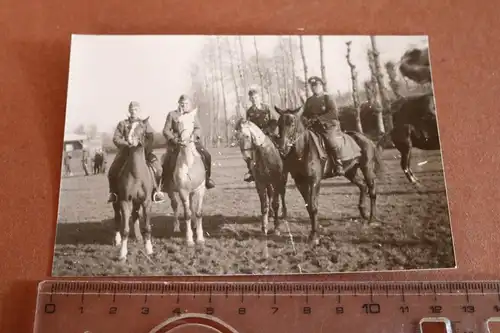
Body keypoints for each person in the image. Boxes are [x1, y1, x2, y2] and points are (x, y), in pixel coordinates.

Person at [107, 101, 165, 204]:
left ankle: (156, 191)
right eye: (132, 109)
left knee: (159, 169)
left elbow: (151, 137)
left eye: (136, 110)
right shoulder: (123, 124)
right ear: (129, 111)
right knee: (112, 170)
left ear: (139, 111)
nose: (133, 111)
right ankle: (114, 193)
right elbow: (116, 138)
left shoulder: (144, 123)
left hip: (144, 153)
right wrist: (127, 144)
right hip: (126, 153)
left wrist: (143, 146)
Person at [302, 76, 360, 177]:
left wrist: (318, 119)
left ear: (321, 86)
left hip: (329, 126)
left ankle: (339, 164)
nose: (314, 88)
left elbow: (333, 112)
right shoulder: (309, 100)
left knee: (330, 140)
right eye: (312, 86)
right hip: (314, 127)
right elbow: (305, 114)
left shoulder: (327, 98)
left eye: (316, 85)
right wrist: (305, 119)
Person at [162, 94, 215, 190]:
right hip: (177, 143)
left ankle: (207, 179)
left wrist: (194, 136)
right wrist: (174, 139)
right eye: (182, 104)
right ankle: (165, 183)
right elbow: (166, 130)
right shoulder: (172, 115)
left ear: (189, 105)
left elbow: (198, 127)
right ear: (178, 104)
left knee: (206, 155)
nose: (184, 106)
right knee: (167, 159)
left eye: (186, 104)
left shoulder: (192, 115)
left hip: (191, 142)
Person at [241, 88, 280, 182]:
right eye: (252, 98)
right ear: (250, 99)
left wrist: (268, 131)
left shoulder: (267, 108)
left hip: (268, 134)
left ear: (259, 98)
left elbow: (274, 121)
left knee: (279, 148)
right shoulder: (249, 111)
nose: (254, 99)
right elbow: (248, 125)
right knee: (248, 152)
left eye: (256, 97)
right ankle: (251, 171)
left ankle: (282, 167)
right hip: (255, 137)